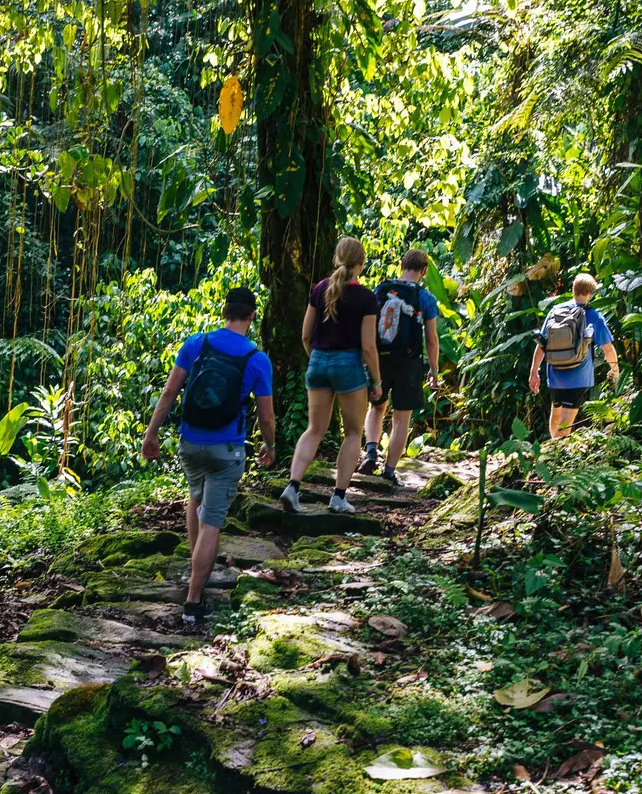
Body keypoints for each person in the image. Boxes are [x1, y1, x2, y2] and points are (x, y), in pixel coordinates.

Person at [141, 287, 277, 625]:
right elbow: (266, 416)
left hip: (190, 443)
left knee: (196, 497)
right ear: (251, 316)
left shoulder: (196, 343)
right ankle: (193, 600)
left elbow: (170, 391)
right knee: (212, 519)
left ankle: (196, 564)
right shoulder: (257, 359)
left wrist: (151, 432)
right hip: (227, 449)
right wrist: (270, 445)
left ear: (225, 312)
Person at [280, 236, 383, 514]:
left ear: (337, 259)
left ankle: (292, 487)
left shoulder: (320, 289)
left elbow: (305, 335)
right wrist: (376, 381)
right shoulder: (365, 297)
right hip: (348, 365)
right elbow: (368, 346)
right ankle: (338, 497)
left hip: (318, 361)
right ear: (360, 264)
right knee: (352, 433)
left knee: (314, 429)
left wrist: (317, 359)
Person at [358, 247, 442, 487]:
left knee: (376, 407)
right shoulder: (425, 297)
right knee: (401, 418)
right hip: (409, 363)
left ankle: (371, 451)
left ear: (402, 265)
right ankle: (390, 471)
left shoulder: (380, 290)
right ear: (424, 270)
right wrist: (434, 371)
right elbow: (432, 339)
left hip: (379, 358)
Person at [528, 272, 620, 441]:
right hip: (578, 376)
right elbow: (608, 349)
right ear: (590, 293)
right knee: (566, 421)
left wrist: (534, 373)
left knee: (556, 414)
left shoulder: (556, 311)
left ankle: (551, 449)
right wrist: (616, 371)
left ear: (573, 290)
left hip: (555, 373)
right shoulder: (593, 316)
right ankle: (554, 457)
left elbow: (541, 345)